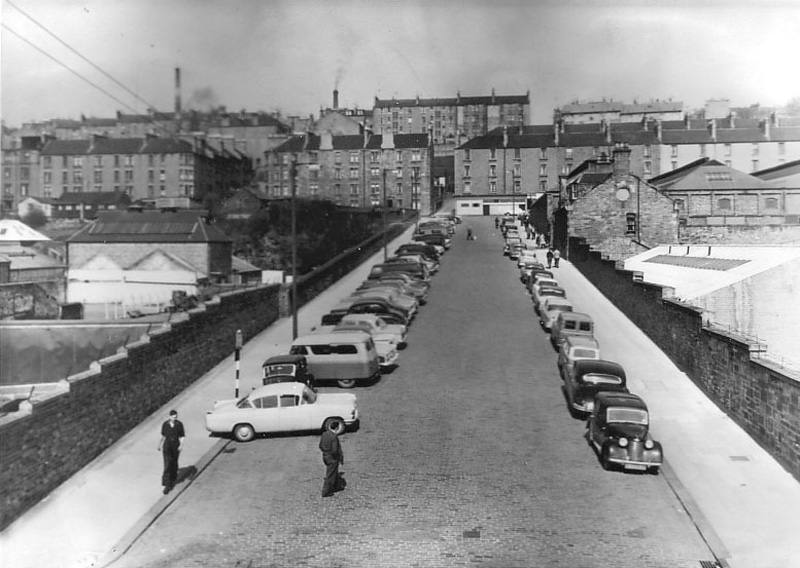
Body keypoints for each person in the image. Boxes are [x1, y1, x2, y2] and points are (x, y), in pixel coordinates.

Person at [158, 409, 185, 494]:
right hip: (167, 446)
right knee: (167, 464)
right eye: (173, 417)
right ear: (170, 417)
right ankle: (166, 484)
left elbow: (182, 436)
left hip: (175, 446)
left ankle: (173, 479)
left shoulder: (179, 424)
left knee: (174, 463)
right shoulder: (165, 425)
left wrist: (181, 445)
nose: (175, 418)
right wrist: (159, 445)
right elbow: (163, 436)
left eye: (176, 417)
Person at [319, 427, 345, 497]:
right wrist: (339, 458)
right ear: (336, 428)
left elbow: (320, 445)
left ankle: (337, 486)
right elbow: (335, 450)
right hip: (332, 458)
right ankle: (326, 491)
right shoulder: (334, 437)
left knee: (334, 472)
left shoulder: (324, 434)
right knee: (330, 474)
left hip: (325, 456)